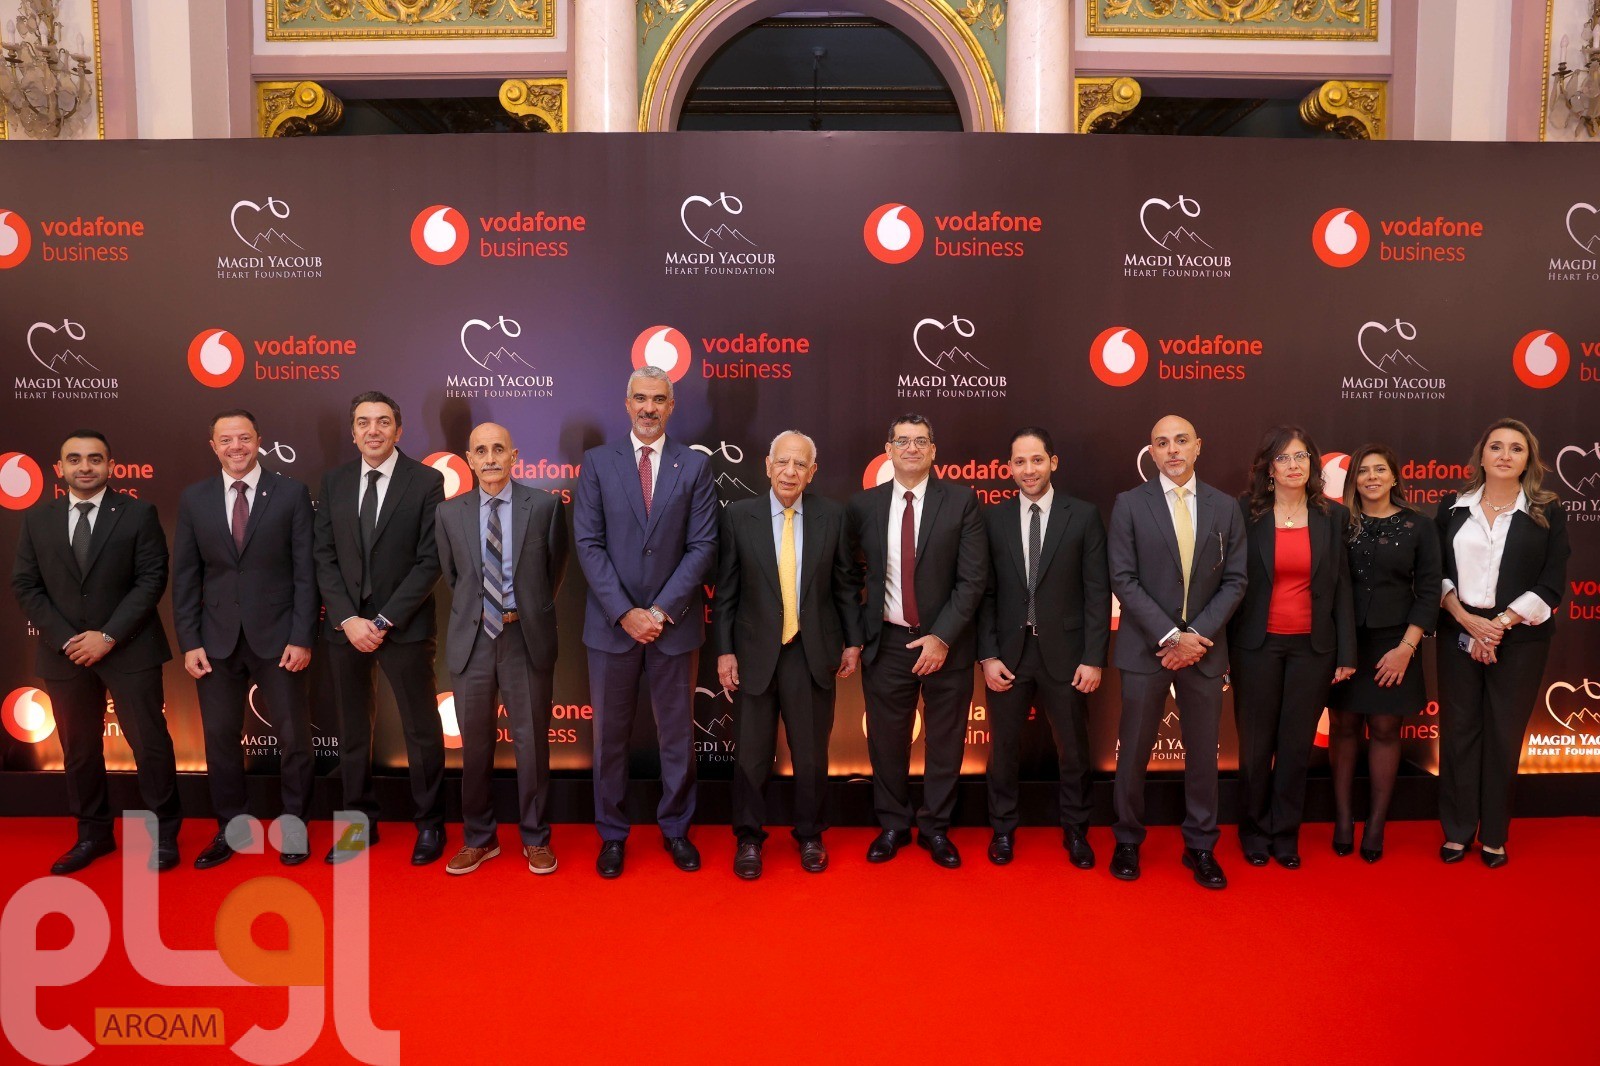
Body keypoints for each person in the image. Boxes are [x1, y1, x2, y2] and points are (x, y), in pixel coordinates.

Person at [11, 430, 182, 874]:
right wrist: (68, 638)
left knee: (149, 743)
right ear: (60, 468)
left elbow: (151, 579)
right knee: (79, 750)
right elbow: (26, 585)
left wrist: (107, 636)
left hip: (131, 648)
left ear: (110, 465)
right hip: (65, 654)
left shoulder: (139, 513)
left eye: (94, 458)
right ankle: (93, 834)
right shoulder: (38, 518)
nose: (84, 466)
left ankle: (164, 834)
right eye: (74, 459)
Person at [574, 366, 718, 878]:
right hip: (611, 626)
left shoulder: (694, 465)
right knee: (609, 739)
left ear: (671, 406)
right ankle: (612, 835)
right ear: (627, 402)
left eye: (659, 399)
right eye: (641, 398)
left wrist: (657, 613)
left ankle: (676, 829)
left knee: (677, 737)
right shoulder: (598, 463)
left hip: (673, 627)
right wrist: (626, 612)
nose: (649, 408)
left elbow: (703, 546)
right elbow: (588, 544)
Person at [713, 431, 863, 879]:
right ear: (767, 465)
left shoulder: (833, 516)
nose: (790, 472)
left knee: (812, 754)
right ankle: (748, 838)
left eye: (800, 465)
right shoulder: (738, 516)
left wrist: (853, 641)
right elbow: (726, 591)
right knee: (751, 755)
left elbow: (846, 585)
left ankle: (811, 834)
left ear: (812, 472)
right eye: (783, 462)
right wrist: (725, 651)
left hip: (811, 651)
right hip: (755, 653)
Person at [172, 409, 316, 868]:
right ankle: (232, 830)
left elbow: (306, 573)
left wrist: (302, 636)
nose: (236, 447)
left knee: (294, 738)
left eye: (244, 438)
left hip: (280, 638)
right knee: (219, 738)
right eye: (226, 439)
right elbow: (185, 576)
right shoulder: (194, 499)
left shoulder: (291, 493)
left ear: (258, 440)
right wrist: (190, 641)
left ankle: (294, 827)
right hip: (214, 641)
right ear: (213, 446)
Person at [1108, 414, 1246, 890]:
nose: (1172, 450)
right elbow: (1122, 578)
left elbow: (1236, 581)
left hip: (1204, 651)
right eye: (1162, 443)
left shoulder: (1225, 507)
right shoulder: (1129, 504)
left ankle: (1201, 845)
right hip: (1146, 649)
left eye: (1181, 440)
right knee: (1132, 752)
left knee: (1204, 754)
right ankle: (1127, 839)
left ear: (1197, 446)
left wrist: (1195, 637)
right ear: (1152, 452)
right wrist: (1170, 636)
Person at [313, 390, 447, 866]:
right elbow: (323, 556)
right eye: (364, 422)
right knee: (352, 732)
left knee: (421, 729)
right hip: (346, 629)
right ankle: (359, 826)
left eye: (383, 422)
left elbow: (431, 560)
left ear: (398, 430)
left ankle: (430, 824)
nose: (373, 430)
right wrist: (348, 619)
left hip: (403, 626)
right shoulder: (334, 482)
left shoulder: (426, 481)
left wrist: (385, 619)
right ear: (353, 432)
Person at [848, 413, 987, 869]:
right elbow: (847, 575)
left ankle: (935, 827)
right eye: (903, 441)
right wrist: (856, 636)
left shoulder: (962, 502)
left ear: (933, 451)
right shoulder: (863, 506)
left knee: (946, 743)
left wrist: (942, 636)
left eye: (921, 441)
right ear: (888, 449)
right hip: (886, 642)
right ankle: (892, 824)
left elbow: (973, 579)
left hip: (948, 645)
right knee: (887, 742)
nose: (912, 448)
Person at [1435, 417, 1569, 868]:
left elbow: (1552, 582)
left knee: (1503, 737)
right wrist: (1467, 620)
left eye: (1516, 448)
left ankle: (1493, 835)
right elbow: (1435, 572)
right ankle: (1457, 832)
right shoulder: (1452, 507)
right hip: (1458, 632)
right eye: (1496, 446)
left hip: (1521, 640)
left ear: (1528, 459)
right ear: (1482, 455)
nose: (1505, 455)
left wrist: (1499, 625)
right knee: (1458, 734)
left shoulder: (1547, 511)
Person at [436, 423, 569, 875]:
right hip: (472, 639)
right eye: (481, 451)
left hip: (524, 638)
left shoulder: (545, 506)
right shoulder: (448, 514)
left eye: (498, 449)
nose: (490, 458)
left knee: (531, 744)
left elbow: (554, 570)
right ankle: (479, 838)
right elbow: (455, 578)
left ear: (514, 456)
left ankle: (535, 837)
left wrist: (521, 611)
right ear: (469, 460)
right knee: (474, 746)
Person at [977, 427, 1109, 868]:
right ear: (1009, 468)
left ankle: (1076, 829)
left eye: (1037, 460)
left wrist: (1093, 658)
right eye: (1020, 461)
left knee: (1073, 749)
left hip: (1068, 655)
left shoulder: (1083, 515)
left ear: (1053, 462)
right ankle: (1002, 830)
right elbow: (985, 593)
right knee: (1003, 750)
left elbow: (1097, 592)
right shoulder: (993, 518)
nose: (1028, 469)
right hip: (1008, 655)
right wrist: (987, 655)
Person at [1228, 426, 1356, 870]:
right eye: (1283, 458)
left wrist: (1347, 652)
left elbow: (1342, 588)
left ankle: (1285, 834)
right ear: (1268, 468)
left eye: (1301, 456)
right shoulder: (1245, 512)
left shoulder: (1332, 516)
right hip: (1255, 646)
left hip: (1313, 649)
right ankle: (1253, 831)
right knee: (1256, 746)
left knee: (1296, 746)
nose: (1293, 465)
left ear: (1313, 464)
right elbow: (1228, 582)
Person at [1327, 445, 1440, 863]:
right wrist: (1337, 645)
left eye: (1380, 470)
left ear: (1394, 477)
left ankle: (1375, 825)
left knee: (1386, 729)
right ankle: (1343, 820)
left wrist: (1406, 650)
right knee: (1342, 726)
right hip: (1343, 640)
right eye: (1363, 471)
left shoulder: (1419, 526)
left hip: (1396, 643)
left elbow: (1429, 591)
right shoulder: (1338, 522)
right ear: (1353, 480)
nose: (1371, 477)